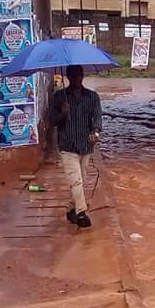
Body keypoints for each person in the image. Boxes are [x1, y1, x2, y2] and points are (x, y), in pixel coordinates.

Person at [49, 66, 102, 229]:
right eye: (72, 76)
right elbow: (51, 121)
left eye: (78, 75)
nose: (75, 79)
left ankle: (72, 209)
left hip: (85, 145)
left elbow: (97, 117)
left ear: (82, 76)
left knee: (81, 180)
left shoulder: (92, 97)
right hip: (67, 144)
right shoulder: (59, 97)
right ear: (68, 77)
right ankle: (81, 213)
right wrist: (63, 114)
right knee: (76, 180)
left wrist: (95, 131)